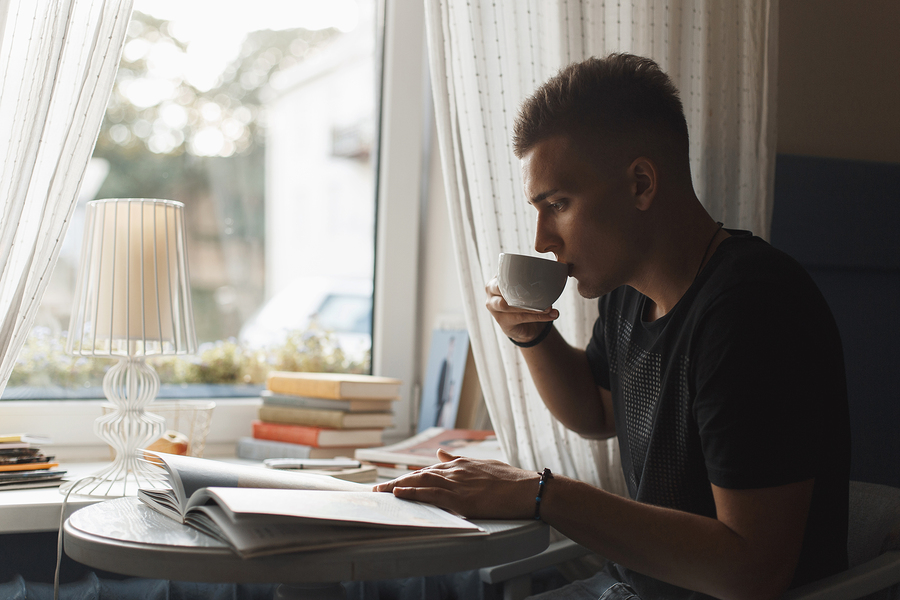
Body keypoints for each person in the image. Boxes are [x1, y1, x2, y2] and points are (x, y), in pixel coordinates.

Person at [376, 53, 850, 600]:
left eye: (557, 203)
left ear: (641, 183)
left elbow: (751, 571)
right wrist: (530, 334)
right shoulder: (630, 295)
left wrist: (541, 494)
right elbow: (596, 411)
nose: (541, 240)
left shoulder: (754, 309)